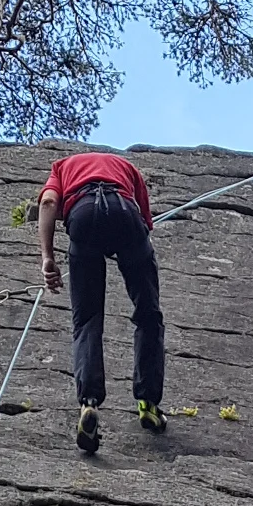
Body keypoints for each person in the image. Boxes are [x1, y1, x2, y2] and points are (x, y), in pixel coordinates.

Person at [39, 152, 167, 454]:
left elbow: (47, 203)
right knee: (148, 314)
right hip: (125, 213)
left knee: (86, 319)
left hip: (82, 216)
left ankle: (89, 403)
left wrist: (47, 258)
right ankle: (148, 403)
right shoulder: (126, 168)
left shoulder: (62, 167)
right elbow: (144, 223)